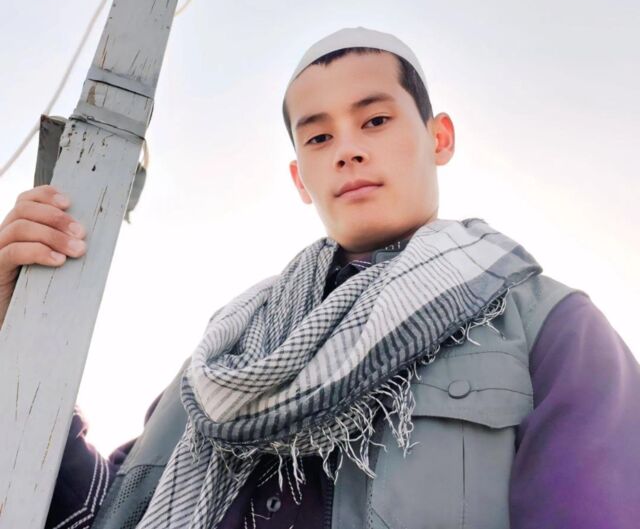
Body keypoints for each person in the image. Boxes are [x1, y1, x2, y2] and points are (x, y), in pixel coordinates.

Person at [1, 27, 638, 529]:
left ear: (439, 137)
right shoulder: (230, 351)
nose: (347, 150)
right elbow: (97, 512)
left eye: (376, 121)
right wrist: (10, 326)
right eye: (319, 137)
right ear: (299, 178)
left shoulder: (550, 326)